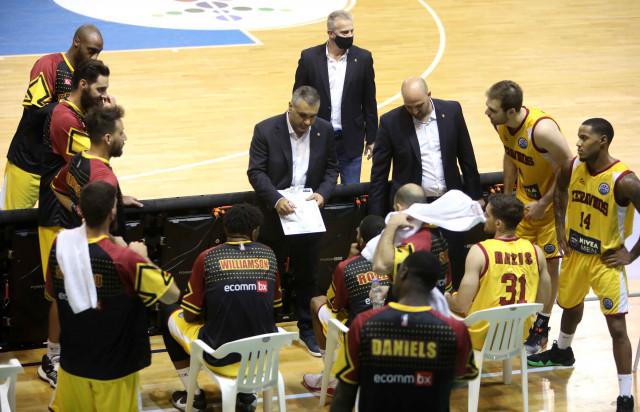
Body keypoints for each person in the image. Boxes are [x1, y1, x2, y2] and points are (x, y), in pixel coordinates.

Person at [527, 118, 639, 411]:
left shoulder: (624, 180)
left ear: (602, 141)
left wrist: (631, 255)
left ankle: (625, 395)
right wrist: (560, 228)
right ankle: (563, 352)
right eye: (578, 137)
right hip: (576, 254)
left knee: (617, 327)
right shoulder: (572, 166)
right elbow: (560, 191)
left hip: (606, 261)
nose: (577, 143)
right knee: (570, 305)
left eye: (584, 138)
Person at [46, 181, 179, 411]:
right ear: (113, 213)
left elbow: (55, 297)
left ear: (80, 210)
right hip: (113, 371)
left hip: (72, 366)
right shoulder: (124, 259)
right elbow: (171, 295)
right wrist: (142, 257)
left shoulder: (60, 244)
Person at [37, 59, 113, 388]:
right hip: (58, 211)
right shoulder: (65, 118)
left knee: (79, 285)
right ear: (83, 85)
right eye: (100, 89)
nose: (104, 95)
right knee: (60, 291)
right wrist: (108, 118)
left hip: (75, 206)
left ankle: (72, 350)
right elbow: (90, 160)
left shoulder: (81, 110)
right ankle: (51, 359)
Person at [162, 203, 282, 412]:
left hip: (219, 357)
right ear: (255, 231)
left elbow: (190, 315)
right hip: (261, 359)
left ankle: (194, 397)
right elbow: (276, 308)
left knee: (166, 311)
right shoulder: (269, 255)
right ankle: (245, 396)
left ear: (225, 229)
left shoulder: (207, 257)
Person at [247, 85, 338, 357]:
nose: (308, 122)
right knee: (267, 276)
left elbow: (331, 168)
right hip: (275, 216)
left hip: (307, 217)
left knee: (307, 276)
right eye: (303, 116)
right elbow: (256, 172)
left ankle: (307, 330)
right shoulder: (265, 130)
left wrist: (323, 193)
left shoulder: (324, 130)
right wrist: (276, 199)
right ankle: (265, 329)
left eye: (312, 116)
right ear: (290, 107)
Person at [485, 80, 573, 354]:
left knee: (548, 266)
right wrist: (507, 197)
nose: (487, 113)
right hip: (525, 201)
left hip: (552, 207)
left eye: (492, 109)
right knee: (514, 258)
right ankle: (514, 321)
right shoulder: (501, 124)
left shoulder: (542, 131)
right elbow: (510, 155)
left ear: (511, 111)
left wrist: (545, 203)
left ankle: (541, 328)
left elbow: (569, 167)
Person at [369, 77, 482, 289]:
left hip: (448, 204)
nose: (414, 111)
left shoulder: (452, 111)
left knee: (454, 258)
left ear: (429, 95)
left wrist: (476, 196)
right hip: (414, 209)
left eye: (419, 105)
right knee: (414, 264)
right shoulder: (390, 122)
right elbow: (379, 175)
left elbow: (467, 156)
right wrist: (375, 218)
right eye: (408, 107)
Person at [330, 251, 478, 412]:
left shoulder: (363, 324)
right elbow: (460, 378)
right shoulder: (455, 330)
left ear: (403, 272)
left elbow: (344, 394)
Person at [1, 24, 103, 210]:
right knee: (10, 221)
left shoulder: (89, 77)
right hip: (27, 164)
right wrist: (71, 106)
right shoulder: (49, 65)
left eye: (98, 53)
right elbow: (34, 112)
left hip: (58, 171)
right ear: (76, 42)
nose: (95, 58)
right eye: (91, 51)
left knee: (54, 225)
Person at [445, 194, 551, 350]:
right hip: (520, 335)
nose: (484, 218)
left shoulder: (479, 251)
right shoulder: (536, 252)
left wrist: (446, 298)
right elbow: (543, 302)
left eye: (487, 215)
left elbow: (461, 305)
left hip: (484, 338)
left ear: (498, 224)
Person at [302, 215, 387, 395]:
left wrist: (348, 259)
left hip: (359, 334)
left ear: (361, 241)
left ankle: (331, 376)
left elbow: (334, 304)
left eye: (358, 233)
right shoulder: (398, 260)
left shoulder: (348, 266)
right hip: (393, 331)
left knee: (317, 302)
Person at [293, 10, 377, 184]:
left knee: (350, 192)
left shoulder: (363, 58)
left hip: (350, 140)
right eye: (345, 32)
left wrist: (372, 138)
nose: (350, 36)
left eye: (352, 31)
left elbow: (369, 100)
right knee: (318, 191)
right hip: (317, 138)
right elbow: (298, 98)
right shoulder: (309, 58)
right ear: (331, 33)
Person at [52, 105, 142, 232]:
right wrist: (117, 242)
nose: (125, 138)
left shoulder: (77, 160)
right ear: (108, 138)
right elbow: (100, 232)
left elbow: (56, 188)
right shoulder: (105, 178)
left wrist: (75, 209)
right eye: (121, 133)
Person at [372, 183, 451, 291]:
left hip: (414, 300)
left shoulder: (413, 244)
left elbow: (380, 267)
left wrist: (391, 226)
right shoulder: (437, 232)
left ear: (399, 208)